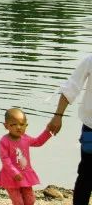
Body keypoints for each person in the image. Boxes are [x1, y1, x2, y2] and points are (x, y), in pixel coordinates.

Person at [46, 52, 92, 205]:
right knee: (86, 174)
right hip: (91, 128)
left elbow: (70, 88)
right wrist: (58, 115)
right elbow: (71, 87)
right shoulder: (90, 60)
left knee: (86, 175)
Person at [0, 107, 52, 205]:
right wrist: (14, 172)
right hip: (10, 176)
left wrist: (47, 131)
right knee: (18, 202)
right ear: (6, 126)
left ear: (26, 125)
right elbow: (5, 159)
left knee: (30, 200)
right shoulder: (4, 141)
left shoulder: (25, 138)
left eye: (22, 124)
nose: (18, 127)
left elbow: (38, 142)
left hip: (25, 174)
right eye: (14, 124)